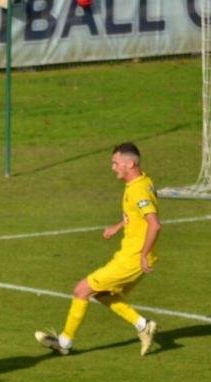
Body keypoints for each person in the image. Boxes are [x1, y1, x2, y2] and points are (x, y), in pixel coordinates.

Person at [35, 142, 161, 356]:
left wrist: (142, 255)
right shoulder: (142, 182)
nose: (112, 167)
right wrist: (118, 226)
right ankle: (142, 325)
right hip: (129, 255)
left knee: (81, 290)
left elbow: (155, 224)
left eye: (115, 163)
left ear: (130, 163)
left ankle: (64, 343)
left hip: (132, 258)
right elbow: (137, 215)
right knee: (101, 293)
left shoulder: (139, 190)